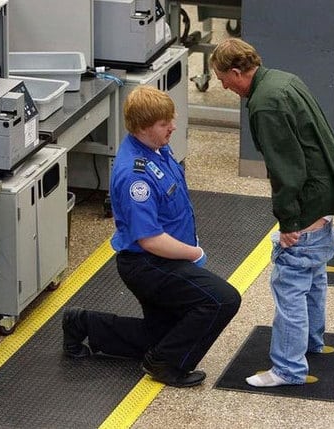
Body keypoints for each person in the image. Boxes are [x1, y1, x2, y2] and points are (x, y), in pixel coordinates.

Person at [210, 38, 334, 387]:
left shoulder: (264, 105)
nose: (222, 85)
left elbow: (286, 170)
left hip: (306, 207)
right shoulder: (285, 79)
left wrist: (288, 224)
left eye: (223, 78)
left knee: (290, 286)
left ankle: (287, 369)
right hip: (325, 197)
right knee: (315, 278)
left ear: (237, 71)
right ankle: (313, 341)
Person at [62, 85, 241, 388]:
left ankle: (83, 324)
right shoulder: (136, 176)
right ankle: (165, 364)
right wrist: (193, 253)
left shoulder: (157, 148)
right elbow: (150, 240)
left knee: (162, 335)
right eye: (164, 123)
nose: (172, 127)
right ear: (143, 128)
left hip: (164, 258)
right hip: (150, 264)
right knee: (222, 300)